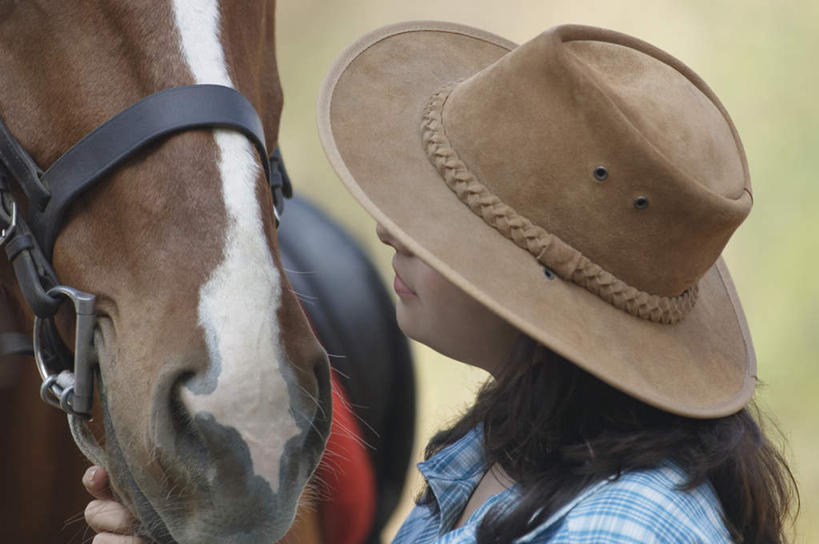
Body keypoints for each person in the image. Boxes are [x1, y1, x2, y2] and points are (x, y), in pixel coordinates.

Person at [84, 22, 797, 543]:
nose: (390, 231)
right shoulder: (510, 460)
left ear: (546, 288)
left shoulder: (615, 533)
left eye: (449, 221)